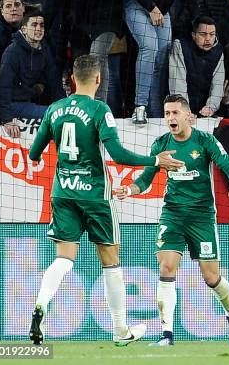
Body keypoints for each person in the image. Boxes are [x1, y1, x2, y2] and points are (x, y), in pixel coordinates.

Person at [27, 54, 184, 346]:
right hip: (96, 196)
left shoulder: (54, 109)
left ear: (72, 79)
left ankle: (40, 306)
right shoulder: (100, 110)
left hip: (63, 193)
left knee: (63, 258)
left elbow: (34, 154)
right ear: (98, 80)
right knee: (111, 262)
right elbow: (119, 155)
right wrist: (156, 160)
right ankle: (120, 330)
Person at [115, 94, 229, 346]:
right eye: (167, 113)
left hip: (201, 217)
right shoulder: (161, 144)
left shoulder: (205, 141)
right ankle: (167, 335)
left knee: (211, 278)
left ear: (188, 116)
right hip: (172, 214)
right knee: (166, 268)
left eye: (175, 113)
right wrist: (129, 190)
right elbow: (145, 179)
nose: (170, 118)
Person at [0, 10, 64, 138]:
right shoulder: (12, 52)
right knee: (53, 113)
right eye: (34, 25)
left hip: (28, 99)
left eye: (41, 25)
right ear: (24, 29)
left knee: (60, 111)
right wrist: (7, 120)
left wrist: (65, 105)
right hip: (12, 104)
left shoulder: (44, 48)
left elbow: (54, 80)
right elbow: (3, 87)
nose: (39, 29)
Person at [169, 16, 225, 118]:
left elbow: (218, 84)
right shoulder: (180, 46)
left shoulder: (218, 51)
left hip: (205, 111)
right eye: (203, 34)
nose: (208, 39)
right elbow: (177, 82)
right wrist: (184, 110)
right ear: (193, 35)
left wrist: (211, 107)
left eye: (212, 35)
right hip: (179, 109)